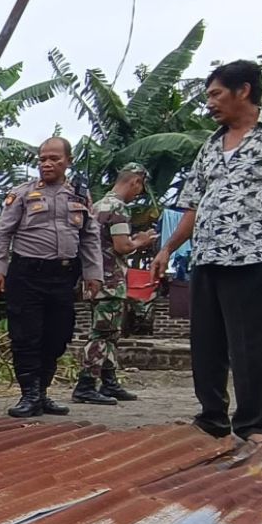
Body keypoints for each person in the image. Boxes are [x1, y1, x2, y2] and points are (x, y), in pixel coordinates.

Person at [152, 60, 262, 445]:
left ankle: (255, 425)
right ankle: (212, 418)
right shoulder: (210, 146)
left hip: (257, 255)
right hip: (208, 257)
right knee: (207, 345)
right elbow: (194, 205)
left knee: (252, 345)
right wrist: (168, 248)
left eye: (215, 94)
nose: (209, 104)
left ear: (243, 90)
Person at [0, 137, 102, 418]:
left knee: (58, 335)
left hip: (63, 275)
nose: (47, 164)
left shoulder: (78, 196)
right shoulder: (23, 194)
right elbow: (3, 234)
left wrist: (93, 273)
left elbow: (90, 236)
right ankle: (29, 395)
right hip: (26, 274)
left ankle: (43, 392)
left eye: (54, 159)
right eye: (42, 159)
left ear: (68, 161)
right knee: (26, 336)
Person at [72, 163, 158, 405]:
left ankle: (109, 382)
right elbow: (122, 246)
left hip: (95, 279)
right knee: (102, 333)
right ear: (135, 182)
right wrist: (141, 241)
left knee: (110, 333)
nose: (138, 194)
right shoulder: (118, 208)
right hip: (110, 281)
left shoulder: (98, 206)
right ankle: (86, 384)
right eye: (139, 189)